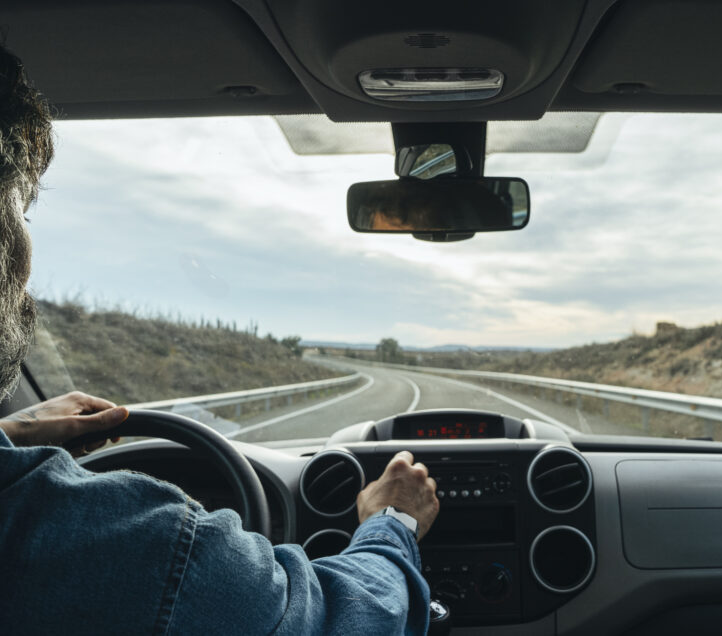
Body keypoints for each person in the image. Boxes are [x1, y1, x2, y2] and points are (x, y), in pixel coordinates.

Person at [0, 45, 439, 634]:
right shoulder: (145, 547)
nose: (26, 260)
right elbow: (347, 618)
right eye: (19, 216)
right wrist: (393, 522)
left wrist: (9, 433)